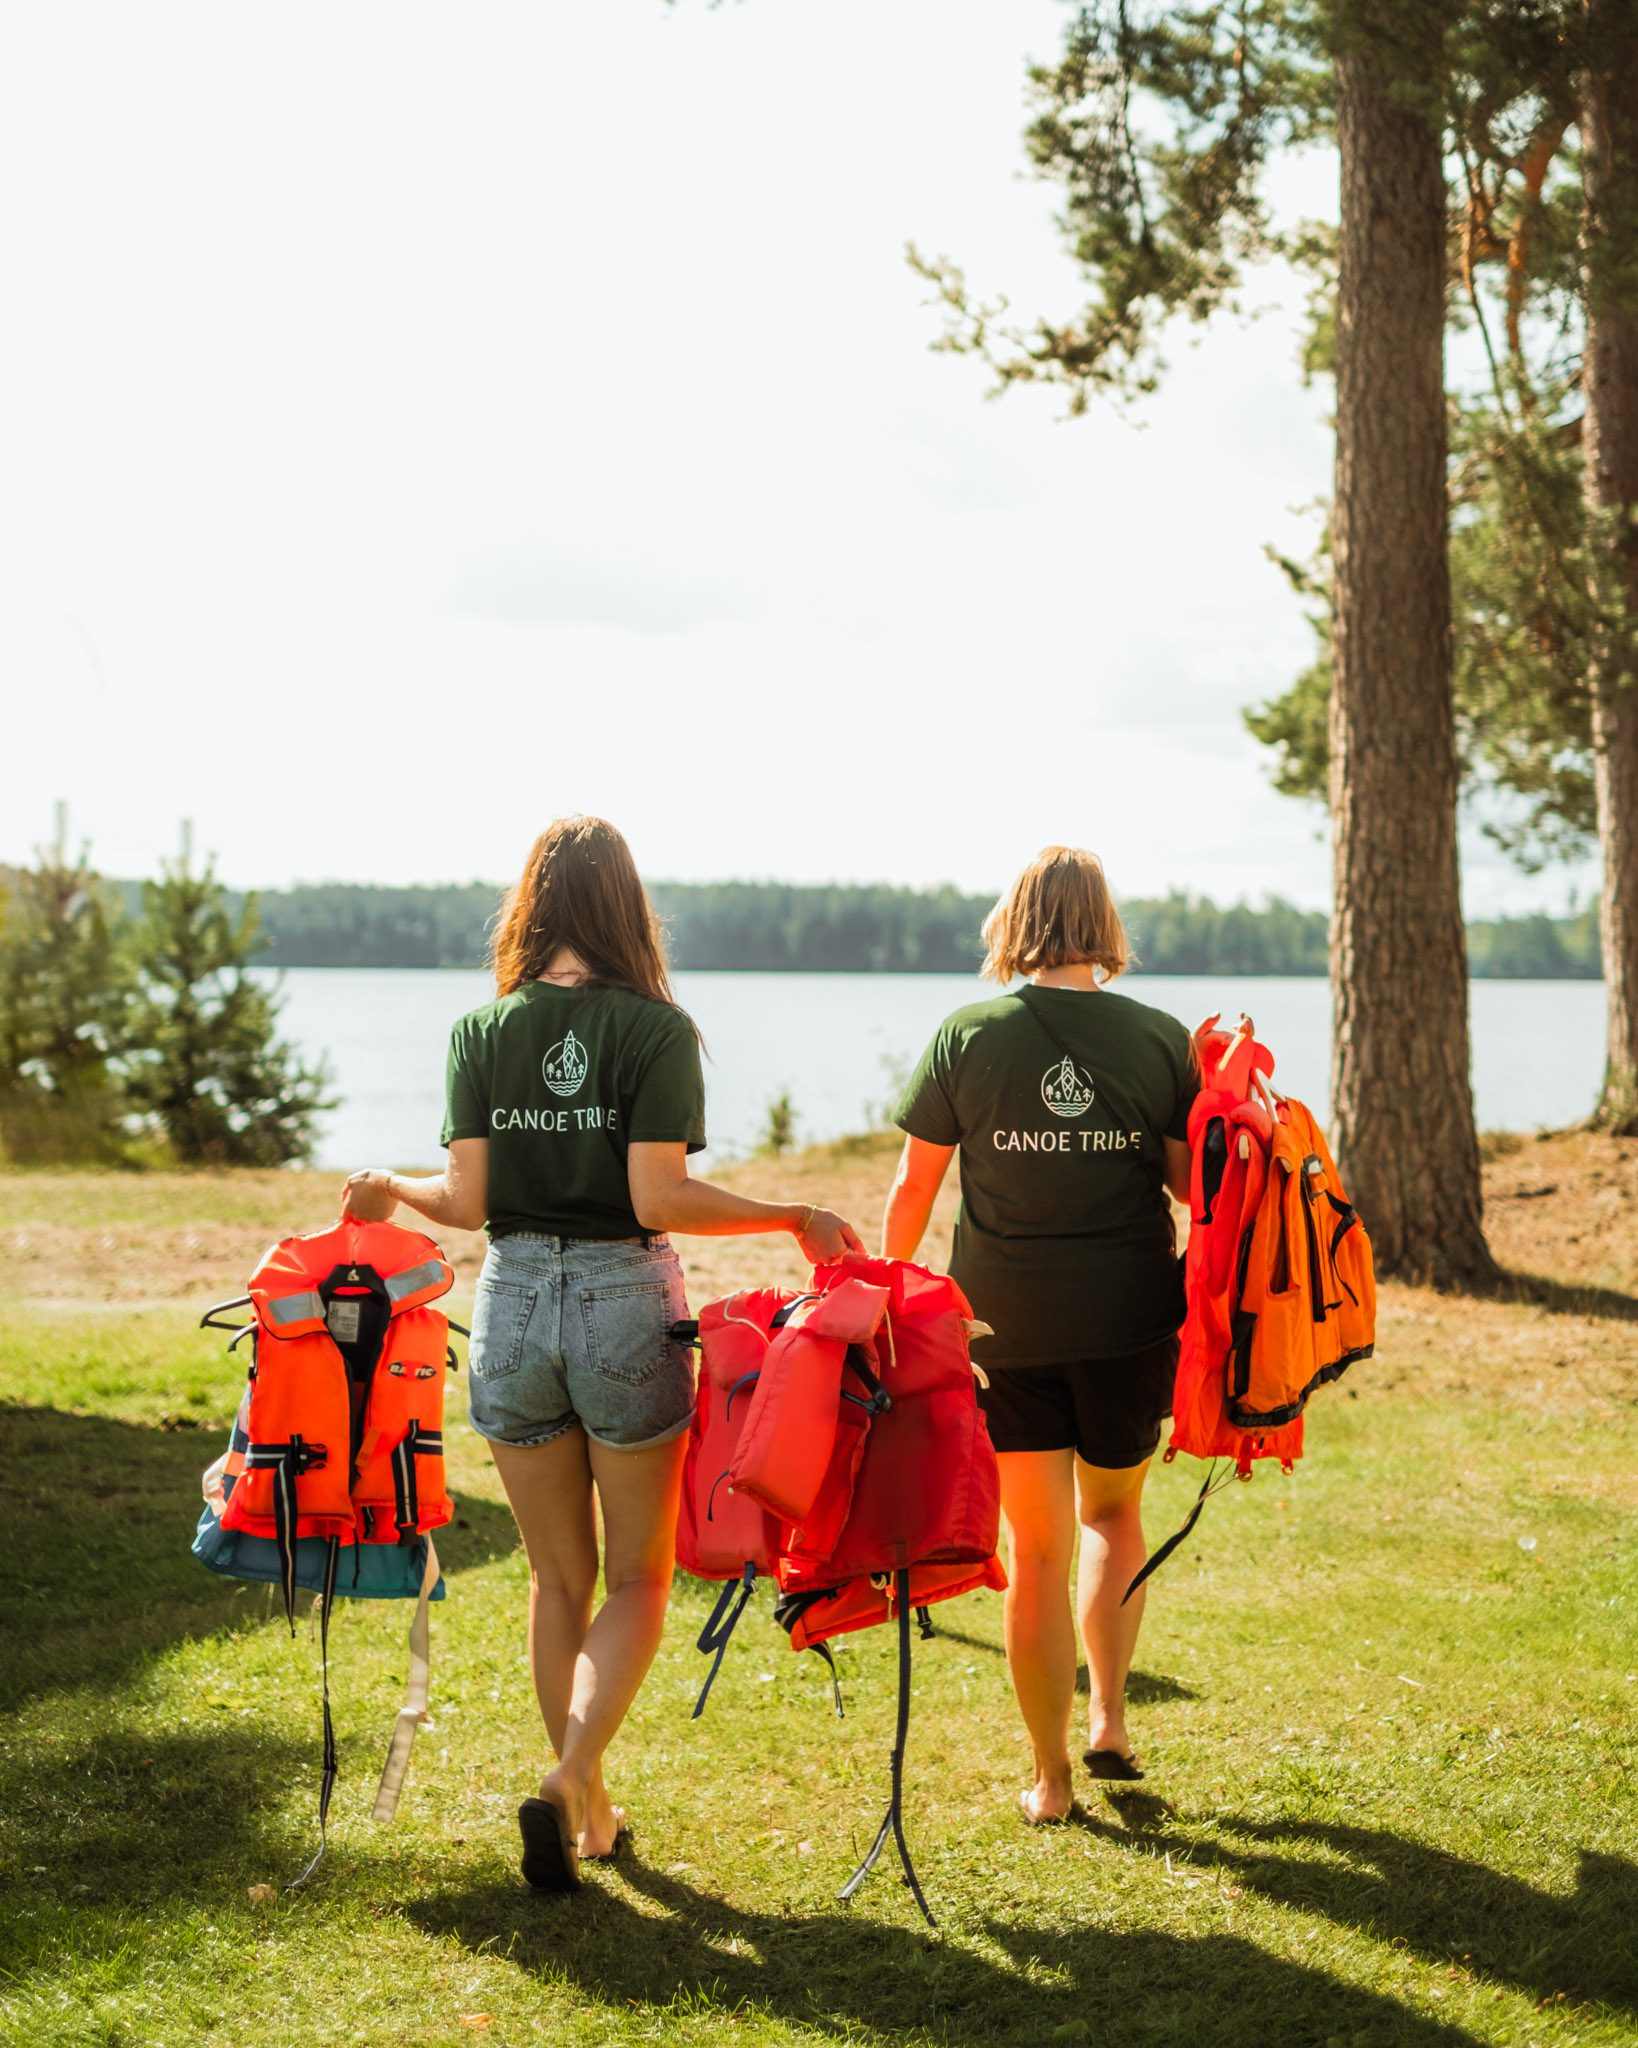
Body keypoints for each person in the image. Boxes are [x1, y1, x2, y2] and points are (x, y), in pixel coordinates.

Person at [341, 814, 862, 1890]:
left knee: (555, 1576)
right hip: (624, 1298)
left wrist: (393, 1186)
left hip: (515, 1299)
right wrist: (790, 1212)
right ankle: (572, 1774)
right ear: (627, 905)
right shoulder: (656, 1031)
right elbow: (657, 1196)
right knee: (635, 1574)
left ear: (531, 905)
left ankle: (592, 1812)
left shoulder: (482, 1033)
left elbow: (470, 1204)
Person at [881, 844, 1207, 1824]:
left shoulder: (968, 1035)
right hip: (1130, 1321)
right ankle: (1108, 1716)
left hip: (1001, 1328)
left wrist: (887, 1293)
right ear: (1103, 926)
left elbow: (912, 1189)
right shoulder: (1158, 1038)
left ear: (1013, 920)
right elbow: (1198, 1191)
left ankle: (1051, 1776)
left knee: (1037, 1546)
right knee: (1111, 1516)